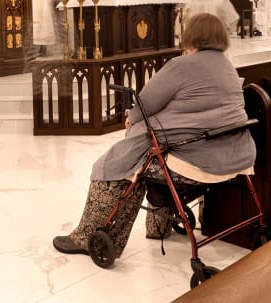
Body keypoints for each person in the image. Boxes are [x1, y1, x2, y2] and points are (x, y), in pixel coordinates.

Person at [52, 13, 256, 257]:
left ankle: (86, 237)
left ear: (192, 35)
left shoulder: (182, 65)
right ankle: (157, 228)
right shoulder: (227, 66)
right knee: (148, 156)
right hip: (234, 155)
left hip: (195, 160)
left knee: (120, 164)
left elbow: (144, 105)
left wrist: (131, 118)